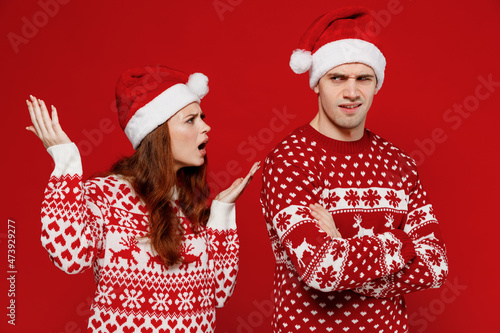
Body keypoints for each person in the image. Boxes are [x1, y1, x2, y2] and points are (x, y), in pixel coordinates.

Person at [26, 65, 259, 332]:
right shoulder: (107, 194)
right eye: (191, 119)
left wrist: (222, 211)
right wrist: (66, 161)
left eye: (202, 117)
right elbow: (70, 256)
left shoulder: (187, 202)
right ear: (157, 133)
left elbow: (219, 291)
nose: (206, 127)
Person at [260, 7, 448, 333]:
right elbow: (321, 270)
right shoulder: (290, 161)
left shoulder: (400, 164)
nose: (351, 92)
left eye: (363, 78)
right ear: (317, 84)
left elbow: (435, 266)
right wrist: (401, 243)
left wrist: (343, 247)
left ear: (377, 84)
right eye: (337, 78)